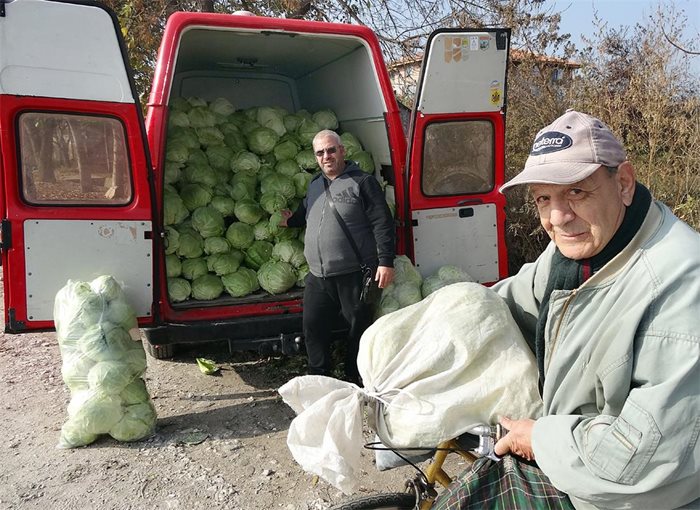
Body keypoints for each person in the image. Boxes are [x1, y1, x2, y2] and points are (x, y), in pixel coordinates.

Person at [489, 110, 700, 509]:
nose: (558, 218)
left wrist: (541, 439)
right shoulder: (574, 254)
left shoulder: (680, 285)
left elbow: (648, 457)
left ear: (623, 183)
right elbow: (513, 299)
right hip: (577, 473)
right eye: (543, 198)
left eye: (576, 192)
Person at [281, 129, 395, 385]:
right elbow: (305, 211)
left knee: (358, 328)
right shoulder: (314, 185)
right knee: (313, 327)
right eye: (320, 152)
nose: (326, 156)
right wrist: (291, 221)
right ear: (315, 157)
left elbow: (382, 223)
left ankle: (354, 377)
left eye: (331, 150)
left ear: (343, 151)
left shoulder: (362, 182)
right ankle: (319, 376)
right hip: (318, 275)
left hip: (353, 273)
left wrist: (386, 261)